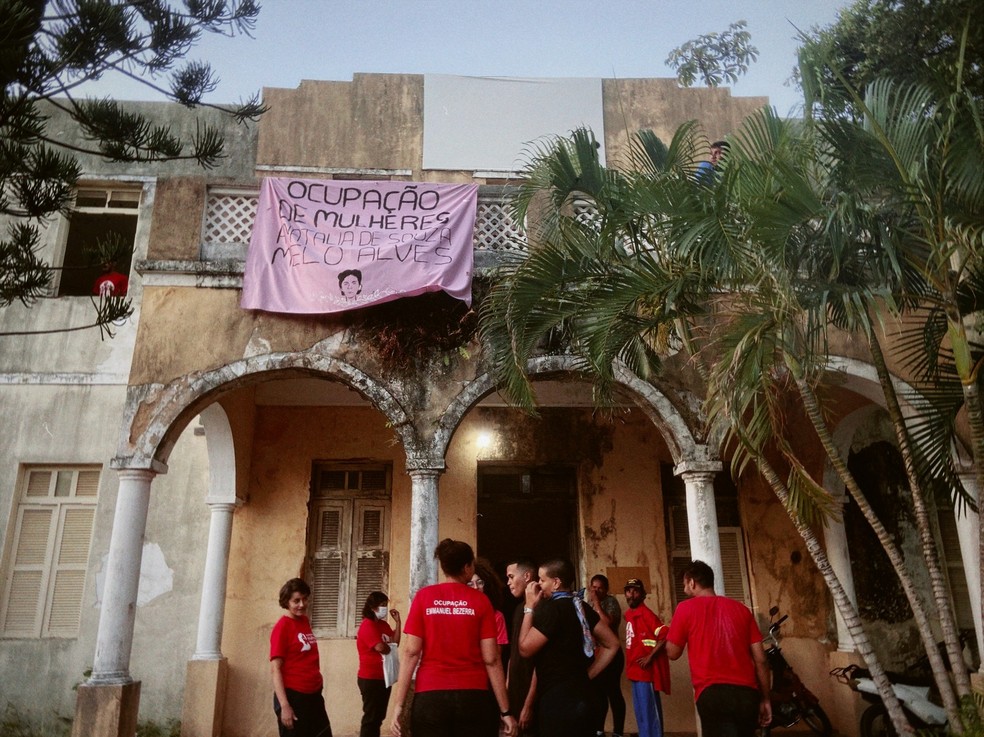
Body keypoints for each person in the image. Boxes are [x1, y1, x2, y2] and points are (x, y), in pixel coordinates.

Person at [391, 539, 517, 737]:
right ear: (467, 567)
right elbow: (492, 659)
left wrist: (398, 706)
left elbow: (411, 652)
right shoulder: (481, 601)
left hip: (430, 696)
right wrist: (506, 711)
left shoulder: (424, 597)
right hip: (473, 695)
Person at [666, 561, 771, 737]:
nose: (684, 589)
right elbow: (761, 659)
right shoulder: (742, 610)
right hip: (747, 694)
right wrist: (765, 699)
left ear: (692, 582)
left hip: (711, 693)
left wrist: (667, 637)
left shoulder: (685, 609)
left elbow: (673, 653)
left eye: (684, 584)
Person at [519, 558, 619, 737]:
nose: (538, 585)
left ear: (556, 582)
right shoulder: (582, 607)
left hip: (557, 701)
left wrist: (529, 607)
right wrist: (587, 675)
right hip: (584, 696)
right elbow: (612, 644)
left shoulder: (552, 610)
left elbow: (525, 649)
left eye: (542, 580)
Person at [269, 578, 333, 737]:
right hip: (294, 697)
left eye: (305, 599)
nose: (302, 604)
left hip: (313, 696)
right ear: (287, 602)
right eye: (296, 601)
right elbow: (275, 669)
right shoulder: (282, 627)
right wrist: (284, 706)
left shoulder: (304, 621)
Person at [622, 578, 670, 737]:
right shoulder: (629, 615)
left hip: (645, 673)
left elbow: (665, 635)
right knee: (641, 713)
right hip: (634, 671)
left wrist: (650, 657)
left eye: (635, 591)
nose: (631, 595)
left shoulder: (646, 614)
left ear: (642, 595)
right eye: (628, 591)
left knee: (650, 713)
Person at [584, 574, 626, 737]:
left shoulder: (610, 602)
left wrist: (596, 603)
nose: (596, 591)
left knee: (613, 692)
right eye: (593, 587)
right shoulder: (587, 604)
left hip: (612, 654)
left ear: (606, 589)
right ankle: (599, 729)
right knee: (598, 694)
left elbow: (607, 623)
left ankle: (618, 731)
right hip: (596, 654)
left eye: (600, 588)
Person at [356, 591, 401, 737]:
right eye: (382, 605)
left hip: (384, 678)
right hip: (370, 678)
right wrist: (389, 646)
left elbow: (395, 642)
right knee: (371, 717)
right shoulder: (367, 625)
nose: (384, 608)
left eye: (385, 605)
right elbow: (381, 647)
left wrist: (398, 623)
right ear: (372, 607)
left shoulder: (383, 625)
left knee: (378, 717)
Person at [505, 557, 539, 736]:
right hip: (515, 693)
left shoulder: (542, 608)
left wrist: (529, 705)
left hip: (533, 697)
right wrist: (507, 686)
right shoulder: (519, 609)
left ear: (526, 576)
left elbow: (540, 663)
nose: (508, 583)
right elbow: (514, 653)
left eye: (511, 577)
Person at [472, 557, 510, 665]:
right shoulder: (458, 613)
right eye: (470, 584)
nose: (475, 587)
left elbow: (495, 656)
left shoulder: (496, 616)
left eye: (480, 582)